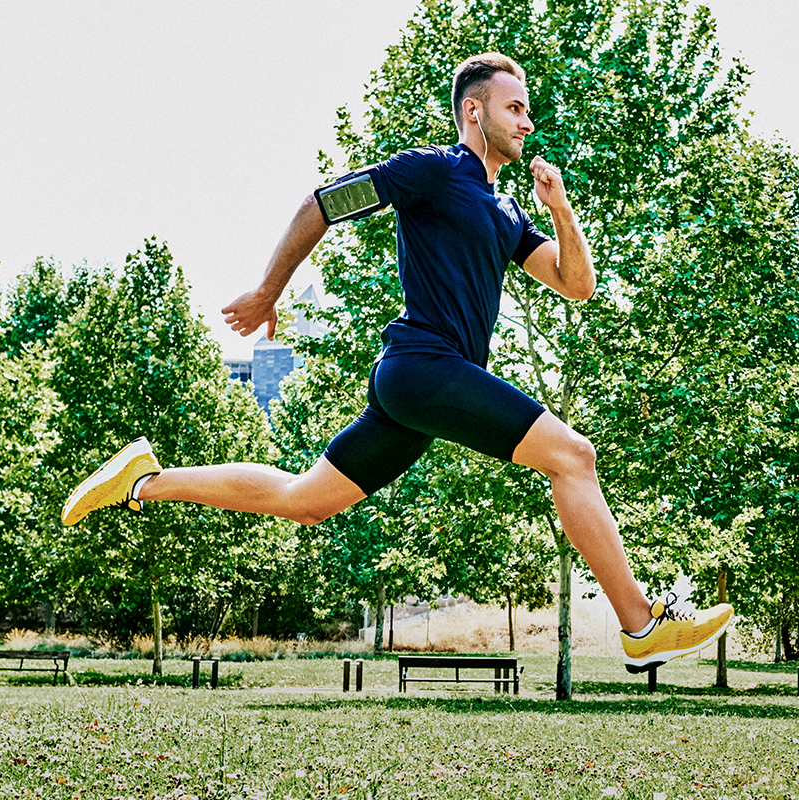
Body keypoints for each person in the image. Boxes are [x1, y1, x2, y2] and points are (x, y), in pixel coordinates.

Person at [62, 53, 732, 673]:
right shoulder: (432, 171)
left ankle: (144, 480)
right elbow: (323, 205)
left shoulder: (504, 210)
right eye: (514, 108)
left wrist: (560, 211)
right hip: (422, 365)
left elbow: (575, 284)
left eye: (527, 110)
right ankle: (641, 625)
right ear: (474, 112)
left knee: (304, 501)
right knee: (573, 456)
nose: (527, 121)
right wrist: (268, 292)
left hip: (421, 391)